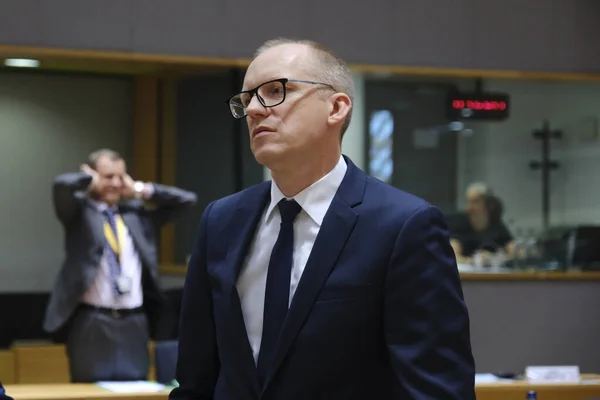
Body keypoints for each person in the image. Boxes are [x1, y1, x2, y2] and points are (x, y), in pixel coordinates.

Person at [171, 38, 475, 400]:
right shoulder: (221, 220)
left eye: (275, 90)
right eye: (248, 97)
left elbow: (436, 389)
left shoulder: (404, 226)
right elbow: (196, 379)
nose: (253, 109)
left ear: (336, 108)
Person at [43, 149, 197, 383]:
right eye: (107, 177)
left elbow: (186, 200)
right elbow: (61, 186)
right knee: (89, 392)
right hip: (92, 323)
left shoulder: (136, 215)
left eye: (120, 176)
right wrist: (88, 181)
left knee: (135, 390)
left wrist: (138, 189)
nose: (115, 183)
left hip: (134, 322)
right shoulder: (78, 213)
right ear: (94, 175)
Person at [449, 182, 515, 265]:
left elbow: (514, 254)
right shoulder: (458, 223)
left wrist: (493, 258)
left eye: (475, 202)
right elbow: (454, 257)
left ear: (488, 204)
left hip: (492, 275)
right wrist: (475, 260)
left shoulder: (496, 224)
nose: (469, 208)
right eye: (468, 202)